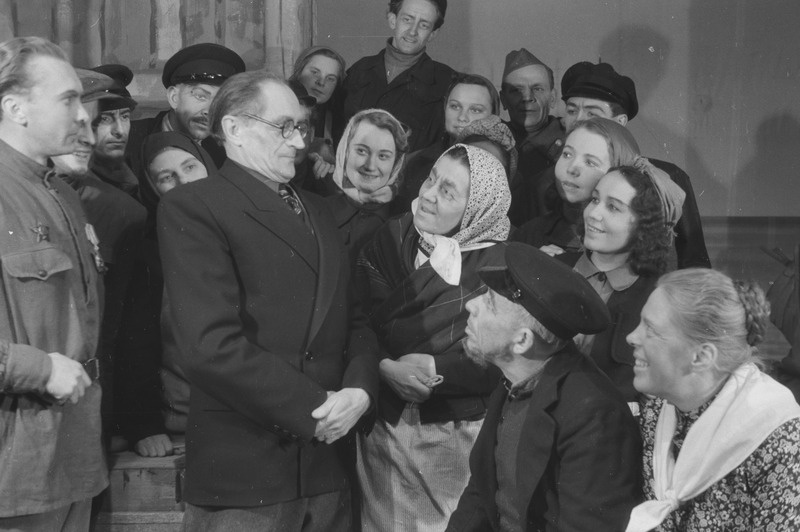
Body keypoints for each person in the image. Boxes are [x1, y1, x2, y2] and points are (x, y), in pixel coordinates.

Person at [158, 71, 379, 530]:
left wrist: (360, 391)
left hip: (327, 471)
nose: (299, 142)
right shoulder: (195, 206)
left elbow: (354, 320)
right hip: (245, 475)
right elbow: (209, 347)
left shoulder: (319, 210)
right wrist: (315, 410)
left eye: (301, 126)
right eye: (284, 127)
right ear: (234, 129)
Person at [356, 144, 511, 531]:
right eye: (431, 179)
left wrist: (434, 367)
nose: (427, 194)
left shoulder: (500, 267)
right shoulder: (390, 239)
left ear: (478, 209)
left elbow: (504, 359)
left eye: (448, 191)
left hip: (454, 437)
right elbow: (356, 319)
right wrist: (383, 366)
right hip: (382, 428)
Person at [446, 242, 642, 531]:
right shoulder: (514, 379)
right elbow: (482, 495)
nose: (470, 306)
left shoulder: (593, 414)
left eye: (489, 304)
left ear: (523, 341)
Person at [0, 36, 107, 530]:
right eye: (67, 99)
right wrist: (38, 368)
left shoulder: (62, 193)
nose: (84, 115)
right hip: (14, 473)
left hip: (71, 456)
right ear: (15, 108)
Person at [626, 268, 800, 531]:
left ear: (701, 357)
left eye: (651, 329)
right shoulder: (657, 413)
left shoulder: (779, 436)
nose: (631, 337)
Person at [525, 61, 710, 268]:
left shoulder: (666, 179)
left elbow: (693, 263)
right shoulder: (544, 182)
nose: (578, 121)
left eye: (592, 114)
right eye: (571, 111)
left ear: (620, 122)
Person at [52, 69, 152, 455]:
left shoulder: (122, 210)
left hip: (87, 400)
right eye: (99, 119)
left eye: (122, 117)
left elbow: (123, 330)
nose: (104, 134)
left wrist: (137, 420)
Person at [558, 159, 685, 403]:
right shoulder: (553, 267)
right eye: (595, 200)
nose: (594, 214)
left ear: (644, 226)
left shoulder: (658, 298)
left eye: (614, 208)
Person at [139, 131, 215, 449]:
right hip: (182, 421)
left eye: (190, 167)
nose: (184, 183)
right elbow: (139, 343)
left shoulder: (245, 229)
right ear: (152, 188)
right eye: (167, 177)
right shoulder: (145, 247)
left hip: (250, 417)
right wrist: (143, 426)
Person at [336, 0, 454, 153]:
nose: (412, 31)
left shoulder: (447, 81)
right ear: (393, 20)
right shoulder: (359, 70)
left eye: (423, 25)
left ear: (433, 34)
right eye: (407, 19)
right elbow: (336, 126)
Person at [126, 43, 245, 193]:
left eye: (219, 101)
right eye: (200, 96)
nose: (210, 111)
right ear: (174, 97)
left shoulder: (228, 153)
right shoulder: (129, 140)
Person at [514, 117, 640, 254]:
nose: (572, 168)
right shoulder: (533, 231)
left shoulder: (624, 248)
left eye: (590, 163)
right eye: (567, 154)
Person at [394, 73, 500, 213]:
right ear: (445, 108)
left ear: (494, 116)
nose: (462, 117)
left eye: (476, 110)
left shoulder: (502, 172)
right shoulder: (416, 162)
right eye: (455, 106)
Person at [326, 108, 409, 267]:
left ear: (396, 163)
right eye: (362, 151)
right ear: (345, 151)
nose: (370, 166)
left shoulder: (407, 220)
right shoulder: (318, 210)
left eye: (383, 156)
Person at [499, 48, 564, 225]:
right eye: (516, 90)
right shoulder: (490, 143)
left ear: (552, 98)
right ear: (503, 100)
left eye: (537, 88)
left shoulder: (570, 143)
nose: (527, 97)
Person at [86, 64, 141, 195]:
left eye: (125, 116)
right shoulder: (76, 184)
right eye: (105, 119)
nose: (120, 131)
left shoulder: (135, 171)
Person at [290, 45, 346, 142]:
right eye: (315, 72)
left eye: (330, 78)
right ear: (298, 72)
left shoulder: (336, 122)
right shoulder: (280, 110)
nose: (321, 82)